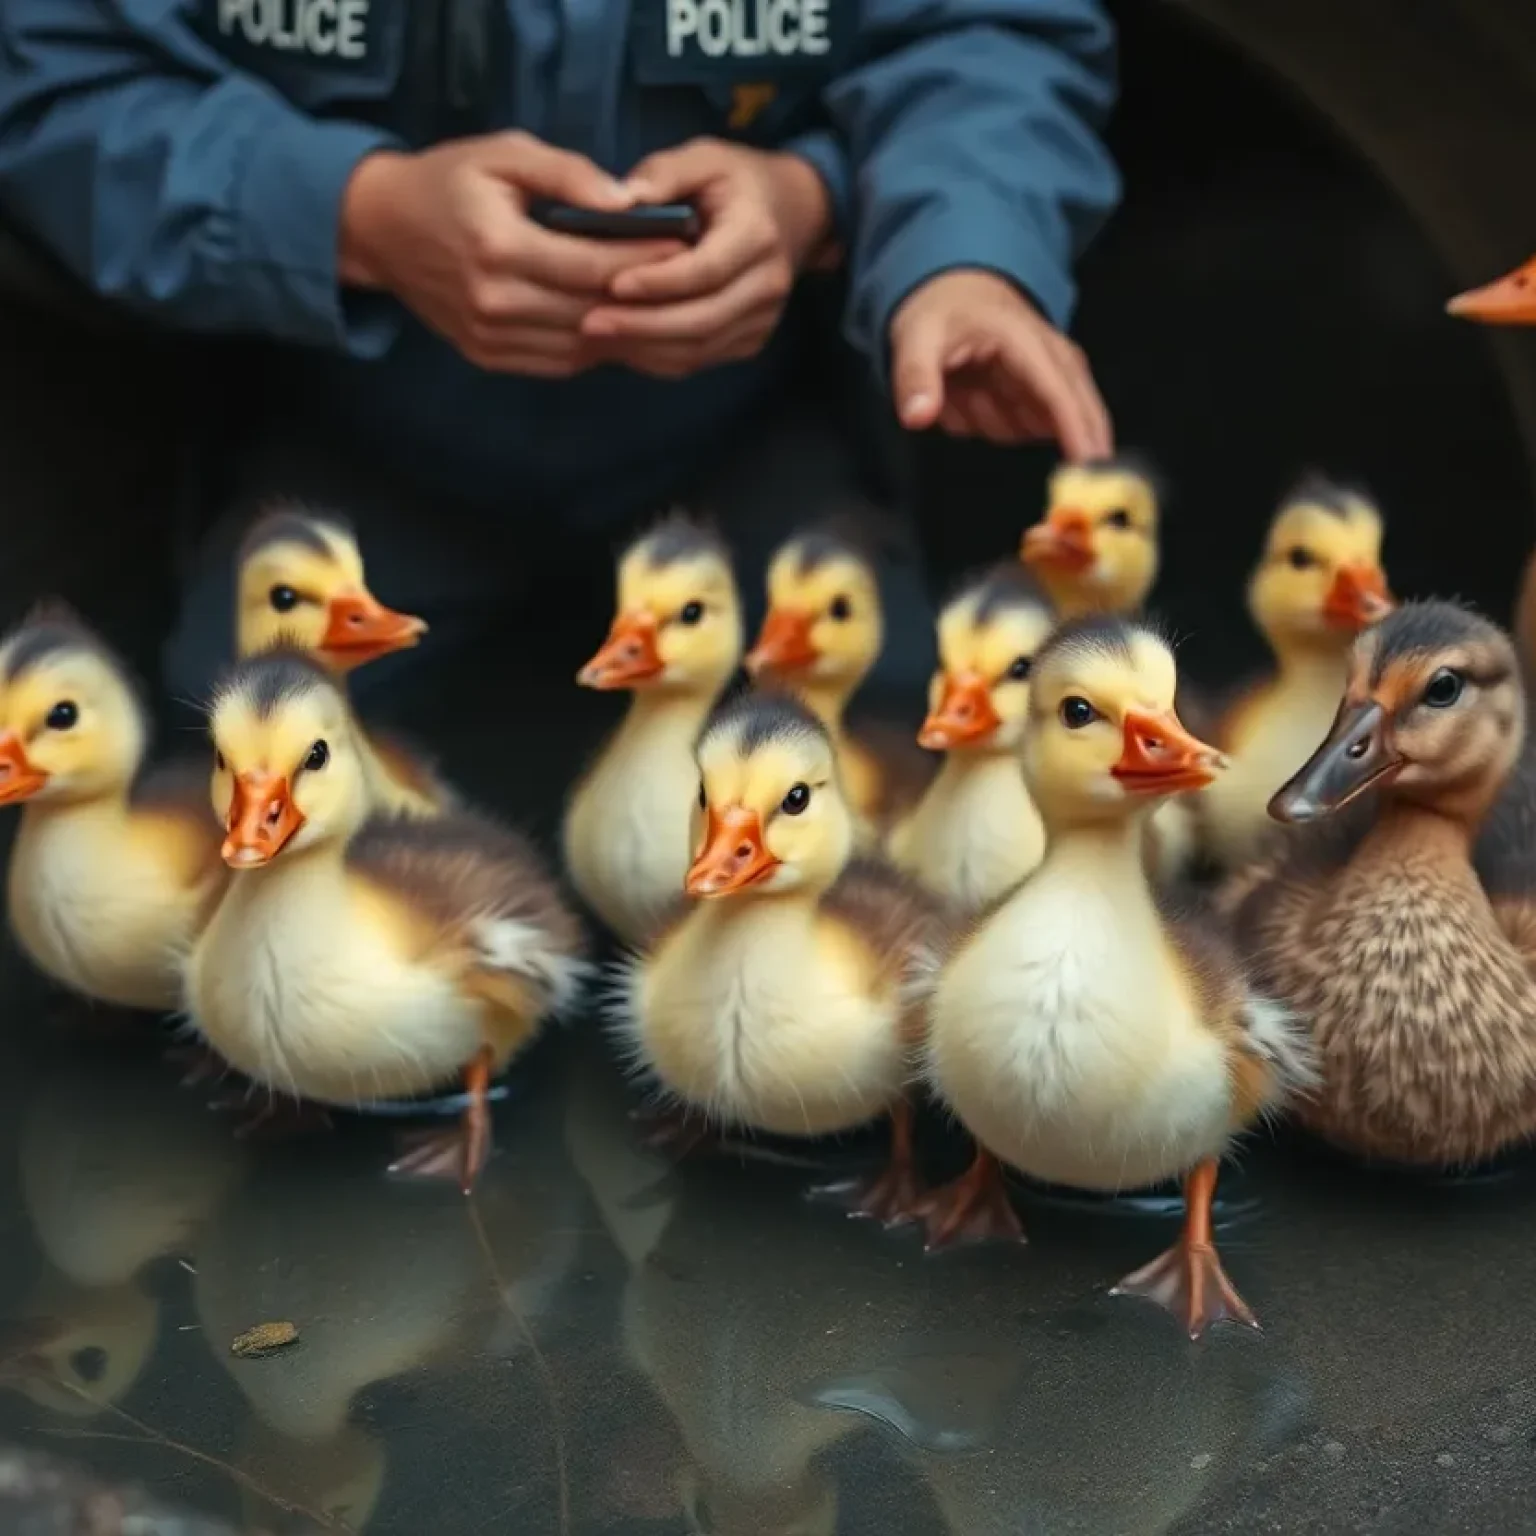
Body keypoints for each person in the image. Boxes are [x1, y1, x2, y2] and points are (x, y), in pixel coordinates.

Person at [0, 0, 1120, 700]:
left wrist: (898, 234)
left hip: (748, 443)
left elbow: (991, 36)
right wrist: (354, 216)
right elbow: (58, 81)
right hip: (361, 442)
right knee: (225, 766)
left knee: (904, 741)